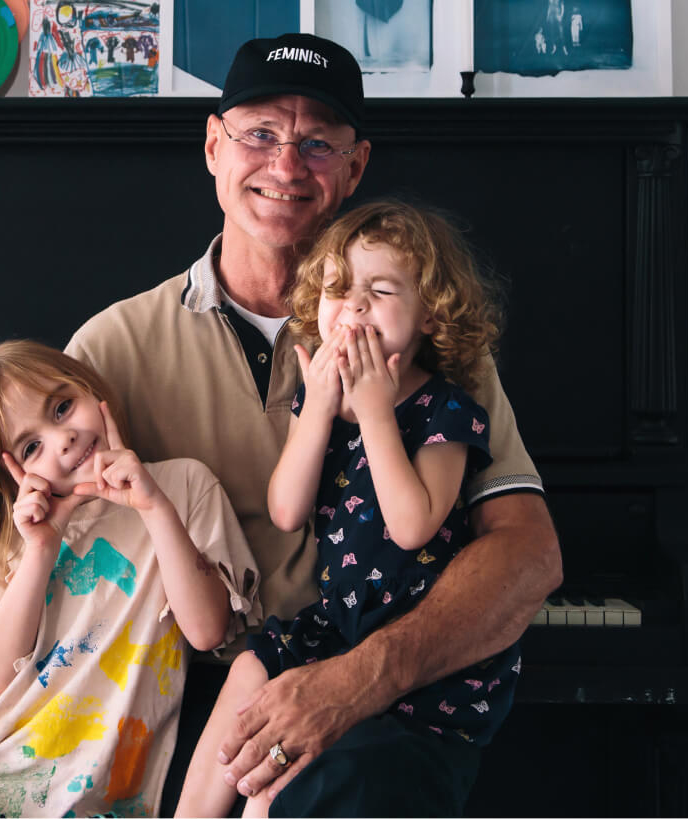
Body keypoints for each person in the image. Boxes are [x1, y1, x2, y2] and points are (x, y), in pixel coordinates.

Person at [0, 32, 562, 818]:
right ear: (213, 146)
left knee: (342, 786)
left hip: (375, 690)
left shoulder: (425, 338)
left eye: (317, 143)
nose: (286, 165)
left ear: (355, 166)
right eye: (260, 135)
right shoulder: (110, 351)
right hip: (165, 698)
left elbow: (529, 550)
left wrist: (364, 675)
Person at [176, 200, 523, 817]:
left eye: (381, 290)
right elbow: (286, 510)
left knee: (287, 778)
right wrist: (317, 410)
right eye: (338, 291)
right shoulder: (321, 403)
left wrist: (375, 412)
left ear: (429, 317)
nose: (355, 306)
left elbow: (413, 524)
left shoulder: (447, 409)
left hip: (415, 641)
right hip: (340, 621)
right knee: (250, 676)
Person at [0, 340, 258, 816]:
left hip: (109, 796)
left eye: (63, 407)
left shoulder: (183, 487)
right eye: (31, 447)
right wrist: (42, 548)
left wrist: (152, 506)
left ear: (91, 390)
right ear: (14, 475)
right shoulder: (16, 538)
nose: (63, 438)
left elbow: (208, 630)